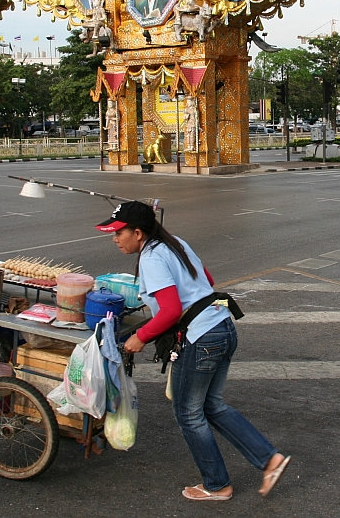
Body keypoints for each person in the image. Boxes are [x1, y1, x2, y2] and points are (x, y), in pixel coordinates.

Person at [103, 201, 291, 501]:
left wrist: (140, 336)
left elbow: (171, 310)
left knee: (187, 413)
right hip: (222, 326)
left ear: (138, 233)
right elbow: (207, 281)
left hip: (202, 338)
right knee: (211, 405)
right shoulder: (174, 243)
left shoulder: (151, 258)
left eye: (118, 233)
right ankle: (270, 460)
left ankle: (217, 485)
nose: (114, 239)